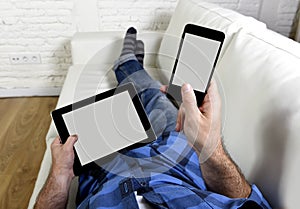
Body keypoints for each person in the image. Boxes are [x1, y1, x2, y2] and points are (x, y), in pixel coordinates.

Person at [34, 28, 271, 209]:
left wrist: (61, 173)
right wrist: (210, 145)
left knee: (120, 107)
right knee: (153, 94)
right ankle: (129, 64)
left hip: (106, 163)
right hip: (178, 149)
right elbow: (251, 202)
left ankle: (127, 64)